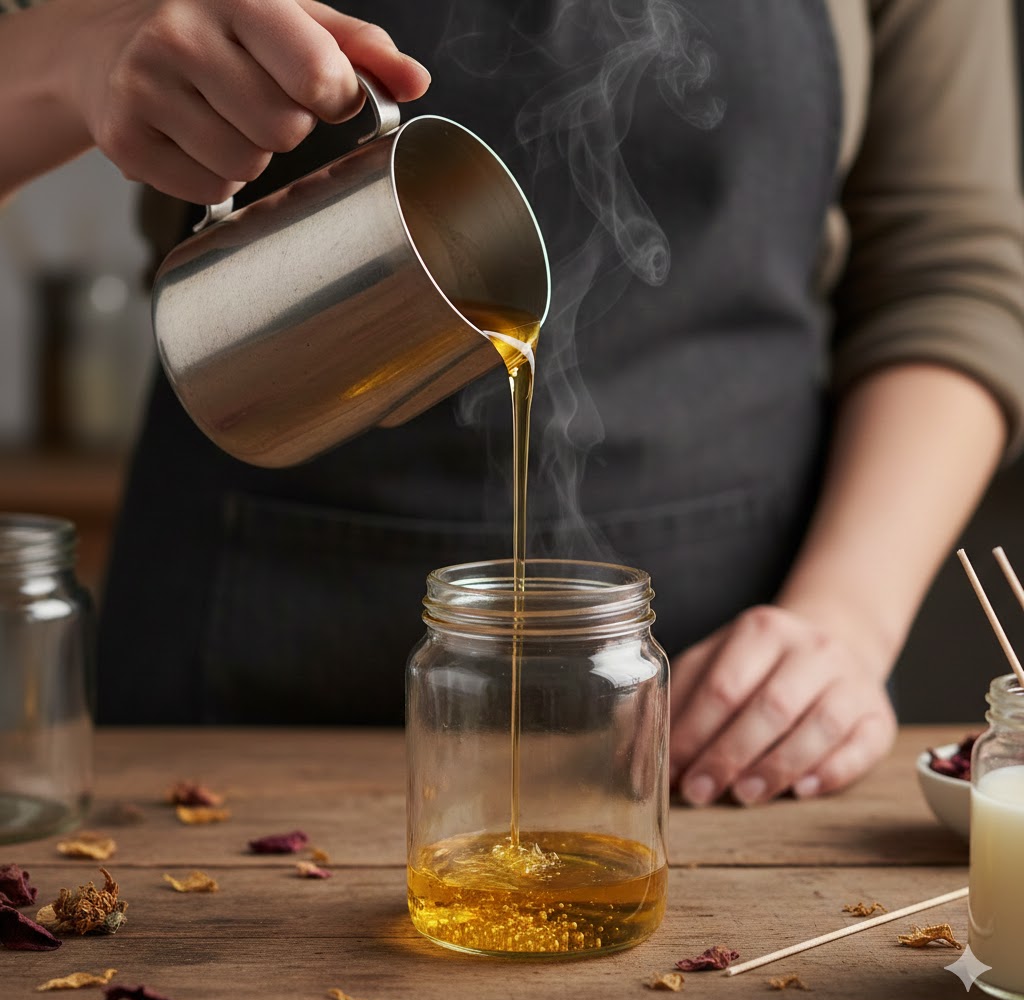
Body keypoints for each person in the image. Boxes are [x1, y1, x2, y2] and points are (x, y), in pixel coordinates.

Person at [2, 0, 1023, 809]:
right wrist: (71, 52)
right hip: (231, 680)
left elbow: (953, 272)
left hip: (713, 726)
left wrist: (843, 619)